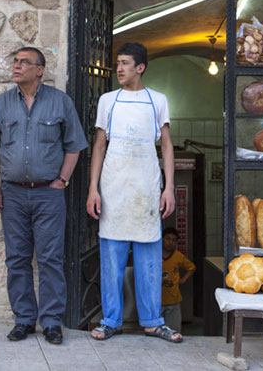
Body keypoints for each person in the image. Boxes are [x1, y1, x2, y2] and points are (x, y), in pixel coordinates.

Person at [0, 46, 87, 346]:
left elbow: (74, 145)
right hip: (12, 194)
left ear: (40, 70)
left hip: (48, 195)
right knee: (17, 259)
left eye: (24, 62)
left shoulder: (60, 102)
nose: (17, 66)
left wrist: (62, 180)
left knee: (51, 259)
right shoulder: (2, 104)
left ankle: (52, 322)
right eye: (15, 61)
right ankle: (24, 319)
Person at [86, 42, 182, 343]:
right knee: (112, 261)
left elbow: (166, 146)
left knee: (149, 262)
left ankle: (153, 322)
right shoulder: (107, 101)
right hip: (114, 189)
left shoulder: (158, 101)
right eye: (118, 63)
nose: (120, 68)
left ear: (140, 67)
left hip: (146, 189)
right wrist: (93, 189)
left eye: (126, 63)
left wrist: (169, 188)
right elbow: (99, 146)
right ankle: (110, 320)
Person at [160, 227, 196, 333]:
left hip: (173, 301)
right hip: (156, 302)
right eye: (167, 238)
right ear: (162, 239)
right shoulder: (155, 255)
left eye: (173, 240)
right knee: (157, 333)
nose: (170, 242)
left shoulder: (178, 257)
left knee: (174, 331)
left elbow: (192, 268)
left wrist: (183, 280)